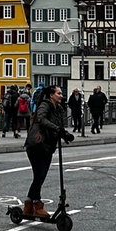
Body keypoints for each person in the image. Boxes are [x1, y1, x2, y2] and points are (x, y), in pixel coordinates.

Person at [21, 85, 73, 218]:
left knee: (40, 176)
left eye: (61, 93)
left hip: (48, 146)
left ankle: (28, 204)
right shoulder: (45, 105)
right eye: (58, 93)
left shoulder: (59, 109)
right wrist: (58, 129)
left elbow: (59, 127)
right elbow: (42, 119)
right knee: (39, 175)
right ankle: (36, 204)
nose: (61, 95)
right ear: (51, 95)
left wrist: (65, 134)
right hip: (37, 145)